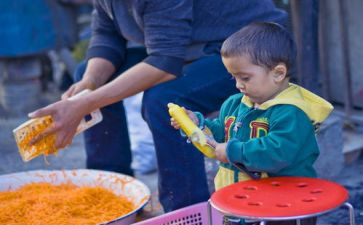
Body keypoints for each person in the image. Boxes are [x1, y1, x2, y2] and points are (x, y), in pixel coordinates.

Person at [28, 0, 287, 212]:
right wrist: (88, 86)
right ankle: (110, 193)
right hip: (187, 45)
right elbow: (107, 37)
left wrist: (86, 103)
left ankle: (187, 210)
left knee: (164, 99)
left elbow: (165, 62)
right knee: (90, 76)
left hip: (250, 48)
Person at [171, 22, 333, 225]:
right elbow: (222, 134)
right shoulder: (234, 104)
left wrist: (233, 151)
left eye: (245, 77)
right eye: (234, 78)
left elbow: (278, 152)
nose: (238, 85)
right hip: (239, 201)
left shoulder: (292, 113)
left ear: (278, 73)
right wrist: (198, 125)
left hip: (285, 204)